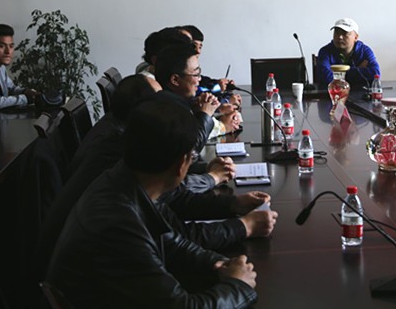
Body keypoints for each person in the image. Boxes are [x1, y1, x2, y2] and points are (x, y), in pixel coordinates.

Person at [36, 75, 277, 280]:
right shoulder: (121, 209)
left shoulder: (126, 163)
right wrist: (243, 235)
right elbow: (179, 299)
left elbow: (172, 232)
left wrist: (232, 206)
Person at [46, 99, 259, 308]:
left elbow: (168, 240)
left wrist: (216, 264)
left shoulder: (124, 179)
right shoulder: (117, 224)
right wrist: (238, 286)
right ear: (181, 165)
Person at [154, 42, 238, 194]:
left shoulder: (175, 101)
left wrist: (207, 167)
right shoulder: (165, 110)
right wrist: (205, 115)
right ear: (175, 80)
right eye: (195, 74)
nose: (199, 79)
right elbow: (189, 151)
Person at [316, 18, 380, 88]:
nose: (340, 37)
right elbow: (325, 78)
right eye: (337, 33)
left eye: (345, 33)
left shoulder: (365, 51)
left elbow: (375, 74)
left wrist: (338, 73)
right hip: (332, 93)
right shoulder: (325, 51)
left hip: (359, 93)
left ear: (355, 37)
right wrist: (358, 70)